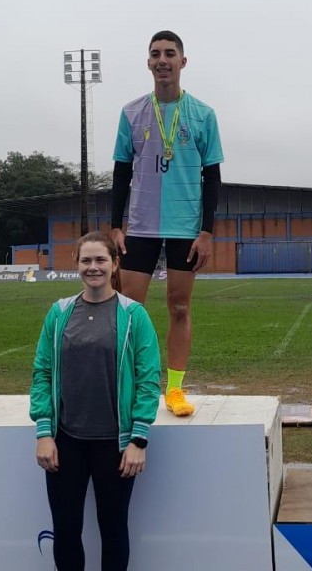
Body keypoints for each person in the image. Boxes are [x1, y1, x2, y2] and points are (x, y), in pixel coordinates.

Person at [30, 231, 161, 570]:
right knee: (67, 531)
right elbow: (42, 372)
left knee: (114, 531)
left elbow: (148, 381)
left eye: (101, 259)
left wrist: (138, 439)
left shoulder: (135, 316)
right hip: (66, 442)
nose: (93, 267)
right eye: (86, 260)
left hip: (115, 447)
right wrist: (44, 433)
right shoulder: (59, 313)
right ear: (76, 265)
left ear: (115, 264)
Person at [111, 30, 223, 417]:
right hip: (140, 225)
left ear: (182, 61)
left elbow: (213, 177)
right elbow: (120, 172)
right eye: (156, 54)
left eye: (170, 54)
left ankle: (175, 390)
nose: (163, 60)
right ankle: (133, 387)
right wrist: (115, 225)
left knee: (179, 307)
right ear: (148, 63)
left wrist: (206, 231)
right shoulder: (131, 113)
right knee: (130, 310)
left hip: (185, 227)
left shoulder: (204, 115)